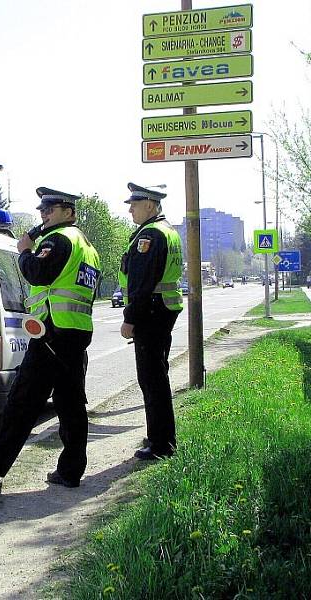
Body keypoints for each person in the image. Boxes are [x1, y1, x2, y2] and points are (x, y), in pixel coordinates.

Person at [0, 187, 101, 487]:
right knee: (70, 404)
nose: (44, 214)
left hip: (51, 333)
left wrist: (24, 250)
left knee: (22, 401)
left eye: (51, 208)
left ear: (69, 212)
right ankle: (70, 470)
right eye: (42, 210)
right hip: (73, 333)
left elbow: (37, 273)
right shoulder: (87, 246)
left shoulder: (59, 239)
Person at [119, 183, 184, 460]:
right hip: (162, 309)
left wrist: (130, 318)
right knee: (157, 377)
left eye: (134, 203)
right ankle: (161, 437)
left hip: (151, 312)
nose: (130, 208)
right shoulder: (167, 231)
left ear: (150, 204)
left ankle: (160, 445)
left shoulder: (150, 235)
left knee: (151, 379)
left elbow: (142, 283)